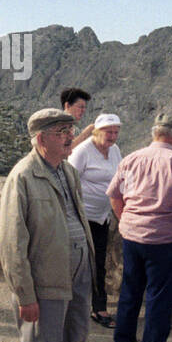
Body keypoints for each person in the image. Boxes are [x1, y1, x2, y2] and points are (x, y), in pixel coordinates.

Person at [0, 108, 94, 342]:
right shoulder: (22, 177)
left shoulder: (67, 171)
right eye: (60, 132)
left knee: (77, 336)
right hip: (45, 279)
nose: (70, 137)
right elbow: (11, 241)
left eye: (71, 130)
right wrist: (25, 293)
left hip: (79, 269)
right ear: (41, 139)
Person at [106, 114, 172, 342]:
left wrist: (124, 221)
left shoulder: (131, 159)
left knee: (130, 288)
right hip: (163, 241)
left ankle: (123, 338)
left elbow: (114, 195)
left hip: (132, 236)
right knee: (159, 296)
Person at [67, 113, 122, 327]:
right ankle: (70, 308)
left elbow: (120, 179)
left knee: (99, 263)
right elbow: (69, 181)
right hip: (81, 217)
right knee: (77, 263)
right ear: (97, 131)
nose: (112, 136)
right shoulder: (82, 152)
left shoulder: (115, 151)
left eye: (116, 132)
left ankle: (99, 309)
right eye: (109, 131)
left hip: (102, 218)